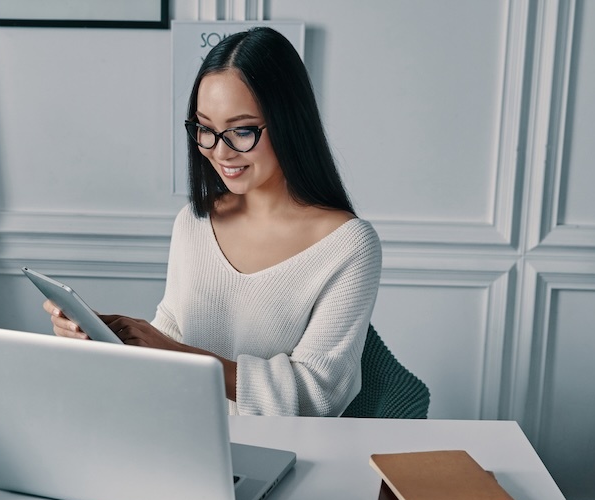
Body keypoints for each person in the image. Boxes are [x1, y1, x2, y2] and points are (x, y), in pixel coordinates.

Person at [45, 27, 381, 417]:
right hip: (179, 433)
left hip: (284, 453)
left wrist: (176, 353)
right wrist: (111, 339)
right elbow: (170, 330)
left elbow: (316, 396)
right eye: (205, 128)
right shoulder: (194, 221)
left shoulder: (348, 245)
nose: (219, 151)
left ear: (291, 123)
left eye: (241, 130)